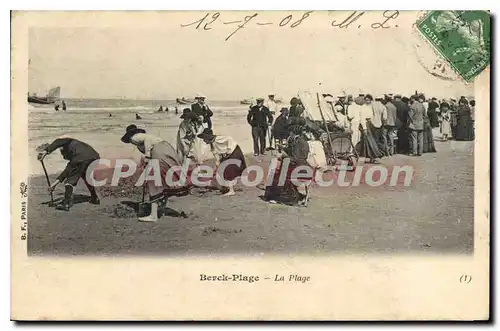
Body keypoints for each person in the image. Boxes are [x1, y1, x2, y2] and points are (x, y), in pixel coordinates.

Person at [121, 125, 189, 222]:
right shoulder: (150, 138)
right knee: (164, 179)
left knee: (153, 181)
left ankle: (153, 215)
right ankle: (160, 209)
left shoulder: (134, 137)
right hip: (167, 149)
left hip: (159, 152)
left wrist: (148, 157)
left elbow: (147, 140)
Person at [37, 137, 101, 211]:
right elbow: (68, 171)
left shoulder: (67, 142)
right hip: (95, 157)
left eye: (63, 155)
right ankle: (95, 198)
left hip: (82, 157)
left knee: (70, 181)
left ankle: (66, 203)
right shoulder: (76, 145)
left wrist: (45, 151)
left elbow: (58, 141)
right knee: (85, 176)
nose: (64, 157)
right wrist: (54, 184)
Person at [264, 125, 312, 206]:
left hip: (300, 167)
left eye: (291, 132)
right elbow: (292, 152)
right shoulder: (298, 140)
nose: (290, 134)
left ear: (294, 133)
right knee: (279, 173)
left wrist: (283, 156)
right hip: (300, 165)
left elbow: (295, 157)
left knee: (280, 176)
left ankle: (282, 197)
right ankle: (287, 196)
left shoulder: (299, 142)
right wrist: (283, 147)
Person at [197, 128, 247, 197]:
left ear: (208, 137)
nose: (204, 140)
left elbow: (229, 139)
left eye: (204, 138)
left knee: (228, 169)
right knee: (221, 169)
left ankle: (231, 191)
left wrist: (229, 150)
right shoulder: (212, 145)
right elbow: (217, 156)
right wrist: (217, 165)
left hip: (234, 151)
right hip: (227, 155)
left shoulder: (218, 138)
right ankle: (225, 186)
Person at [357, 94, 383, 163]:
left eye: (369, 100)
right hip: (365, 123)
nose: (368, 101)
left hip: (370, 124)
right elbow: (362, 118)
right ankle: (374, 155)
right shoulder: (363, 107)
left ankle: (368, 156)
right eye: (366, 100)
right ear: (364, 100)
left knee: (367, 140)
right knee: (370, 140)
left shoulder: (370, 107)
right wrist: (364, 128)